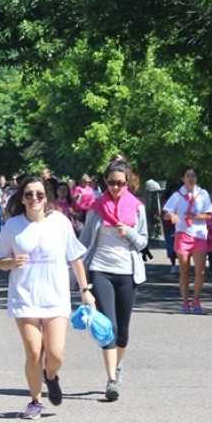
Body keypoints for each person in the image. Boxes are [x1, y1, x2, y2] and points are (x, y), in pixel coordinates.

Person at [0, 176, 94, 420]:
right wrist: (11, 262)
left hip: (55, 297)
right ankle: (35, 401)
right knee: (34, 352)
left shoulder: (59, 221)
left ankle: (51, 376)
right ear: (22, 198)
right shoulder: (13, 226)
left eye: (39, 194)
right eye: (29, 194)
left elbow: (75, 257)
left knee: (56, 354)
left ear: (46, 196)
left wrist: (85, 290)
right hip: (24, 298)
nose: (35, 199)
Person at [80, 160, 149, 401]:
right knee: (109, 326)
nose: (115, 187)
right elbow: (84, 240)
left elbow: (143, 242)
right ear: (105, 182)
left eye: (120, 183)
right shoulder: (96, 207)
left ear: (128, 182)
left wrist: (128, 232)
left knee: (123, 332)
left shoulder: (137, 208)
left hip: (128, 271)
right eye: (111, 182)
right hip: (101, 269)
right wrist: (78, 272)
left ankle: (118, 368)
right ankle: (110, 380)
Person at [163, 167, 212, 314]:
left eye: (193, 175)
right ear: (183, 178)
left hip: (199, 235)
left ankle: (196, 299)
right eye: (187, 176)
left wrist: (195, 216)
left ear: (196, 178)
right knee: (184, 272)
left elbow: (209, 215)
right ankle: (185, 302)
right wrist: (171, 216)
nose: (190, 178)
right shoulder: (177, 196)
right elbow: (166, 213)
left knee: (201, 272)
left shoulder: (203, 194)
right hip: (183, 235)